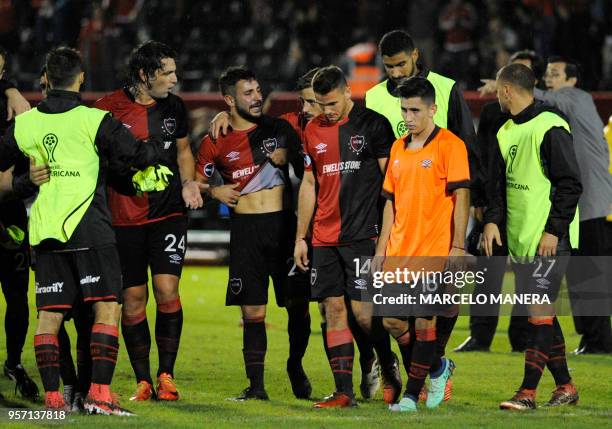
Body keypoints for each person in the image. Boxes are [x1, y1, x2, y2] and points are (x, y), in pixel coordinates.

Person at [0, 47, 172, 415]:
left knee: (49, 316)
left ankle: (53, 403)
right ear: (81, 79)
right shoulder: (95, 120)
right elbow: (138, 156)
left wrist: (23, 182)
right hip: (91, 230)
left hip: (45, 233)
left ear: (45, 79)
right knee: (107, 309)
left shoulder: (26, 124)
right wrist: (158, 147)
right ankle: (99, 396)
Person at [210, 68, 382, 399]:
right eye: (304, 102)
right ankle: (321, 376)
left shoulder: (347, 123)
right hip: (307, 226)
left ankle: (370, 361)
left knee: (353, 307)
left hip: (351, 225)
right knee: (324, 306)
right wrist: (224, 112)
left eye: (313, 102)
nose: (307, 109)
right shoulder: (290, 124)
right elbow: (251, 120)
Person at [365, 27, 477, 401]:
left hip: (438, 225)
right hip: (398, 228)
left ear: (415, 55)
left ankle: (415, 390)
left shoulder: (445, 90)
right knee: (394, 317)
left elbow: (465, 162)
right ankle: (435, 366)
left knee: (437, 308)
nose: (395, 73)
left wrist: (464, 234)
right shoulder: (374, 100)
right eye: (389, 67)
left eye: (400, 64)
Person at [93, 41, 203, 402]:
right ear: (144, 75)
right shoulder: (107, 109)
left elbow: (184, 149)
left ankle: (166, 375)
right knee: (134, 299)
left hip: (168, 213)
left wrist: (188, 183)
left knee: (167, 291)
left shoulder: (174, 107)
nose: (175, 79)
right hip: (123, 218)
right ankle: (142, 380)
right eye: (167, 72)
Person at [196, 66, 311, 401]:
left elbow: (311, 130)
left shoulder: (282, 128)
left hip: (284, 227)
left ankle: (295, 364)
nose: (257, 97)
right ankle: (257, 387)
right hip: (246, 232)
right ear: (230, 99)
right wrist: (214, 192)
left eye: (258, 90)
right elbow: (194, 182)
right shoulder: (215, 141)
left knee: (298, 306)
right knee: (253, 313)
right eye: (248, 93)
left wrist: (289, 155)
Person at [295, 65, 401, 408]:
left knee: (364, 314)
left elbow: (392, 185)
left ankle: (387, 364)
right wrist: (302, 237)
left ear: (346, 92)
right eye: (319, 104)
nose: (325, 111)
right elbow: (310, 183)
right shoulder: (311, 130)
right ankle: (344, 392)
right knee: (333, 309)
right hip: (324, 237)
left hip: (362, 235)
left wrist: (388, 235)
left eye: (330, 103)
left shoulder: (373, 125)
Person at [483, 63, 581, 410]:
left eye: (497, 90)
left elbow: (570, 184)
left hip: (548, 240)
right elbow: (497, 187)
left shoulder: (551, 125)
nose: (496, 96)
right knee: (543, 316)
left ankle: (527, 393)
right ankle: (566, 386)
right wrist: (492, 222)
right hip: (522, 240)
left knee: (538, 314)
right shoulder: (505, 130)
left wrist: (554, 230)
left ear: (508, 90)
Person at [455, 50, 545, 353]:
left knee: (524, 273)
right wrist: (478, 200)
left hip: (524, 205)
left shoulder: (547, 115)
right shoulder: (494, 114)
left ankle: (521, 337)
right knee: (486, 272)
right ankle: (480, 336)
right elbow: (482, 160)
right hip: (494, 202)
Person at [538, 56, 612, 354]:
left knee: (590, 272)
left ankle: (600, 339)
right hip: (582, 204)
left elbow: (542, 97)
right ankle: (592, 338)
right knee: (582, 273)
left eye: (554, 74)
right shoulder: (566, 105)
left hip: (593, 204)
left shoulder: (576, 98)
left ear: (572, 80)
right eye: (546, 75)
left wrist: (511, 86)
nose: (548, 79)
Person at [0, 47, 39, 401]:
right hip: (10, 200)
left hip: (10, 216)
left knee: (17, 295)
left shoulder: (15, 106)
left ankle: (13, 362)